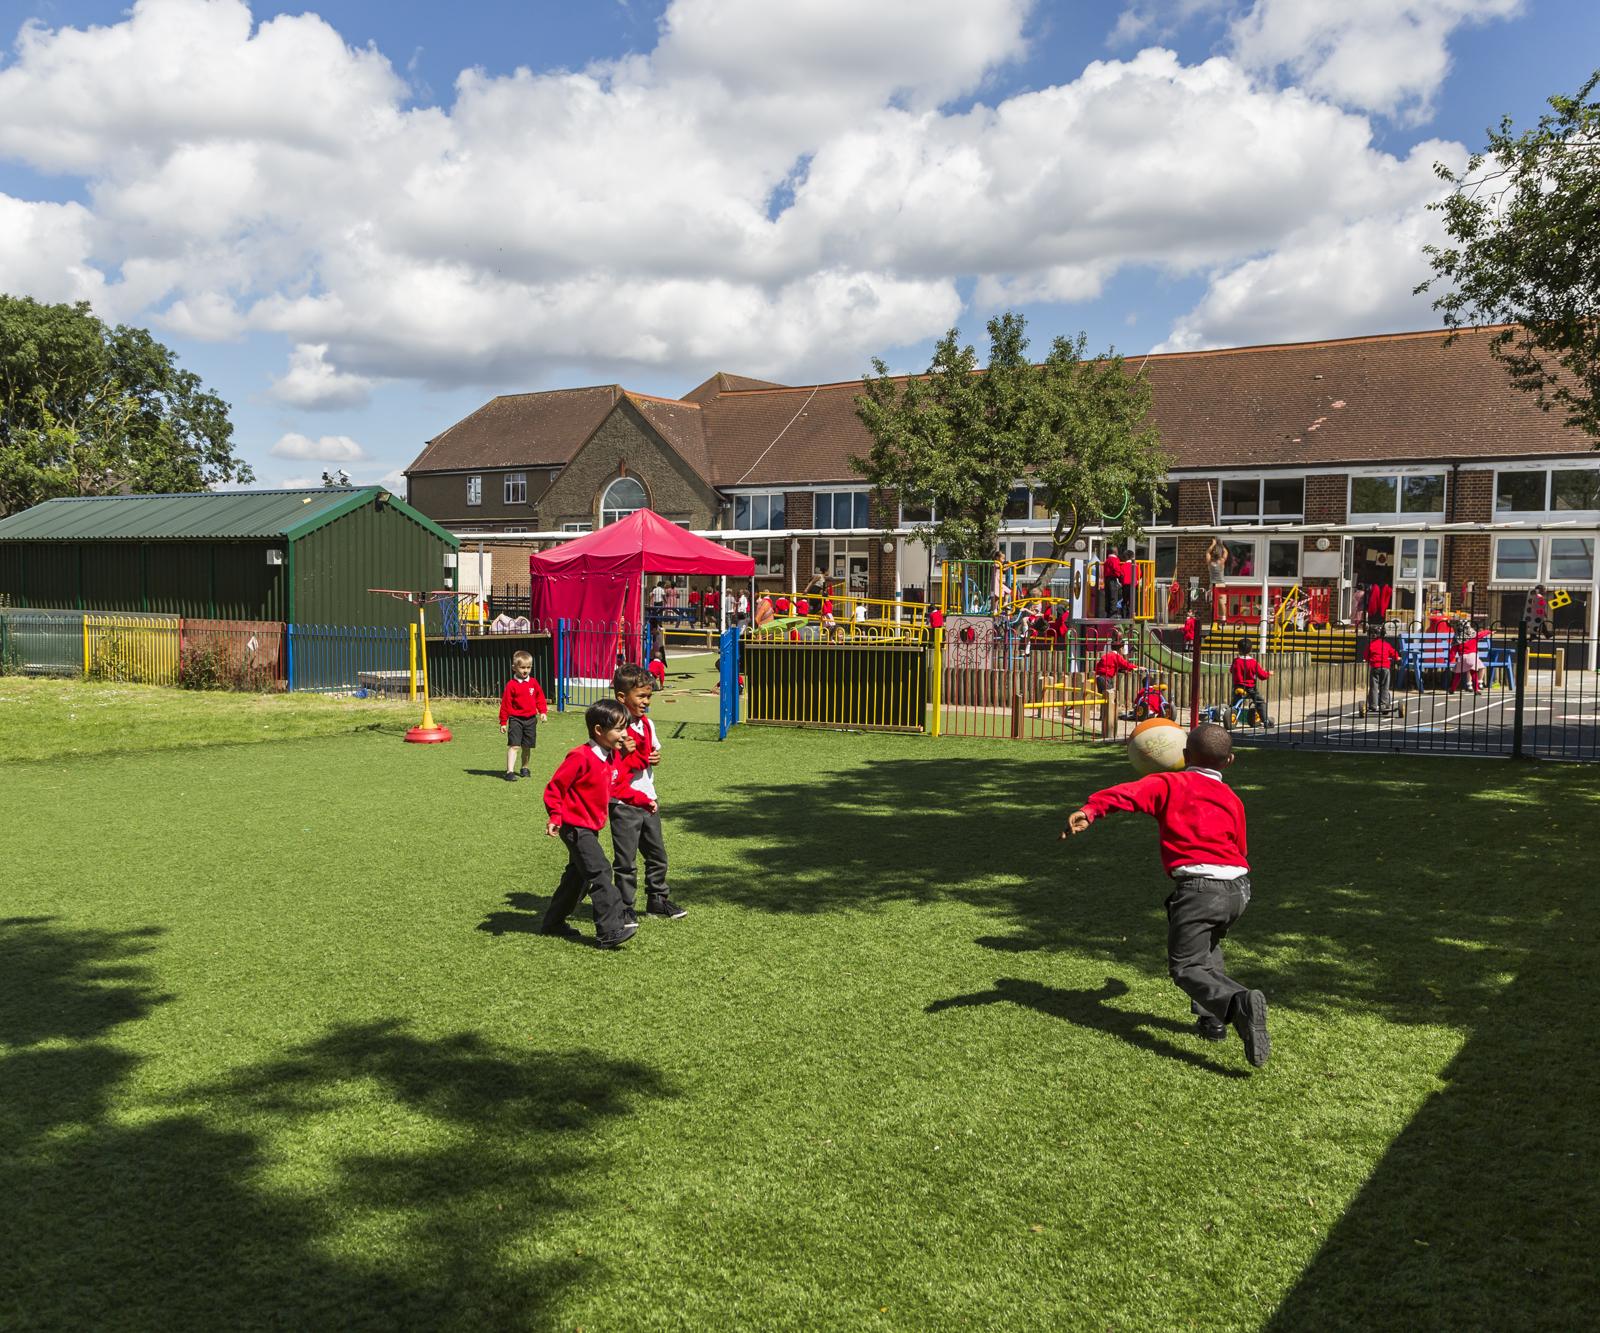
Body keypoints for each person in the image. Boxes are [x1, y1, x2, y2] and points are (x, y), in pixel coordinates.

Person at [1060, 723, 1269, 1066]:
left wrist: (1090, 810)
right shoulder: (1232, 798)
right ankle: (1213, 1020)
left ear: (1185, 755)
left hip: (1200, 889)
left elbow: (1125, 794)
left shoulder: (1169, 783)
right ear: (1229, 761)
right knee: (1207, 946)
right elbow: (1241, 847)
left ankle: (1237, 1003)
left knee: (1186, 966)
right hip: (1238, 889)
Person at [540, 699, 637, 948]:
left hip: (590, 828)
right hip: (575, 827)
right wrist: (555, 816)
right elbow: (555, 789)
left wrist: (643, 801)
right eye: (619, 728)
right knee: (600, 871)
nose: (624, 733)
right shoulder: (580, 756)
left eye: (625, 727)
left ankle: (553, 923)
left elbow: (616, 787)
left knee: (577, 878)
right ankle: (610, 930)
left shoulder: (610, 756)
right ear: (598, 730)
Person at [610, 663, 687, 924]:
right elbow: (606, 763)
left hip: (648, 798)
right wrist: (622, 751)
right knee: (626, 861)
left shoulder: (647, 724)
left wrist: (655, 757)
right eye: (641, 696)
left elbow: (653, 752)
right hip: (623, 802)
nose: (646, 701)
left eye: (649, 696)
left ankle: (657, 900)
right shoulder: (613, 728)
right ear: (622, 697)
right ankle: (624, 908)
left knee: (657, 855)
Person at [498, 649, 550, 781]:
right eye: (522, 667)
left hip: (531, 720)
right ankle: (510, 772)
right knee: (514, 745)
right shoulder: (511, 685)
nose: (525, 670)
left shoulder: (533, 683)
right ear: (514, 668)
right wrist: (503, 722)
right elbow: (505, 704)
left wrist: (543, 712)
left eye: (528, 667)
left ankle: (524, 768)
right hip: (516, 719)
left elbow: (540, 698)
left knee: (527, 746)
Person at [1229, 638, 1273, 727]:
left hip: (1238, 687)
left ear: (1238, 649)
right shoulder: (1253, 662)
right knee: (1260, 702)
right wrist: (1269, 673)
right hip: (1250, 688)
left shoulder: (1236, 661)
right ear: (1251, 649)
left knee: (1235, 703)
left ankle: (1231, 716)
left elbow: (1231, 670)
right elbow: (1262, 676)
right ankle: (1265, 721)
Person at [1094, 632, 1138, 704]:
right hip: (1107, 678)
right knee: (1110, 698)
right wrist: (1136, 667)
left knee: (1103, 698)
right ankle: (1109, 711)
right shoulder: (1116, 657)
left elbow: (1098, 665)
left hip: (1099, 678)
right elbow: (1126, 665)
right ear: (1121, 649)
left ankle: (1103, 711)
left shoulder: (1106, 656)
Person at [1448, 618, 1490, 695]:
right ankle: (1476, 689)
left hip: (1462, 658)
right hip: (1473, 657)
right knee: (1474, 673)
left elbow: (1453, 651)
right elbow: (1482, 634)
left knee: (1457, 674)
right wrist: (1489, 631)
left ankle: (1452, 688)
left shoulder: (1457, 638)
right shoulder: (1474, 635)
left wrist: (1450, 660)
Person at [1365, 630, 1399, 714]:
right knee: (1384, 686)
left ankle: (1373, 705)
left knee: (1374, 686)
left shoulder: (1371, 645)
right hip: (1385, 667)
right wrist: (1397, 657)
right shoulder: (1386, 644)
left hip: (1375, 667)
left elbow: (1366, 656)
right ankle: (1383, 704)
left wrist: (1369, 659)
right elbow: (1393, 653)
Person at [1103, 548, 1127, 619]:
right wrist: (1120, 575)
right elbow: (1116, 568)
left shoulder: (1107, 560)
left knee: (1108, 596)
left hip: (1107, 579)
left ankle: (1108, 612)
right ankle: (1113, 613)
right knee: (1113, 596)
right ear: (1115, 552)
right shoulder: (1115, 559)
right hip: (1113, 579)